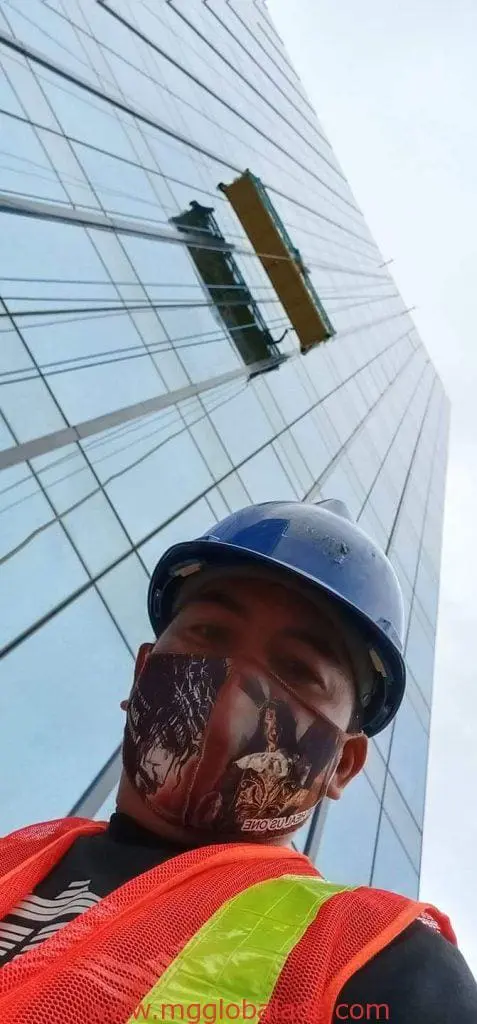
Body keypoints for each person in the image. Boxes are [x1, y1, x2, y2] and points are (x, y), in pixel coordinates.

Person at [0, 499, 476, 1024]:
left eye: (296, 669)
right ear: (142, 674)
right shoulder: (18, 851)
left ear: (343, 763)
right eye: (210, 634)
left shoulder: (375, 956)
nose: (231, 693)